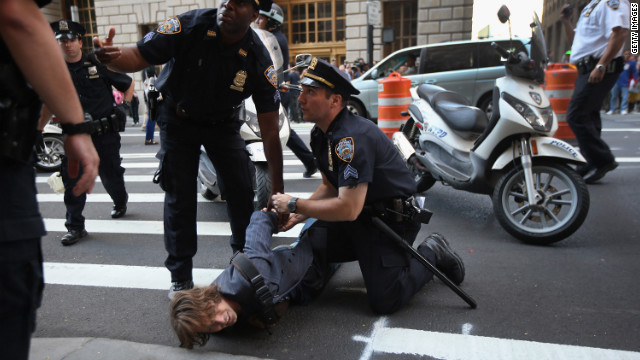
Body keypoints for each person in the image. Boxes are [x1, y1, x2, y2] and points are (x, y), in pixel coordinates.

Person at [92, 0, 285, 298]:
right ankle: (180, 276)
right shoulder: (190, 25)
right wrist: (110, 57)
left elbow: (271, 132)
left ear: (255, 15)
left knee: (240, 188)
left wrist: (277, 191)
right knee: (179, 195)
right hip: (178, 119)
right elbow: (137, 56)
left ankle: (244, 260)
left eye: (240, 2)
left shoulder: (259, 60)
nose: (228, 5)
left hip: (222, 124)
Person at [271, 58, 465, 315]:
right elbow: (330, 187)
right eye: (302, 92)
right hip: (362, 218)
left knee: (385, 301)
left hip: (390, 222)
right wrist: (298, 216)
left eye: (311, 93)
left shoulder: (352, 139)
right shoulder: (321, 134)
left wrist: (294, 202)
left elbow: (348, 208)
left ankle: (433, 252)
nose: (300, 99)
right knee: (312, 239)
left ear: (335, 100)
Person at [0, 0, 99, 358]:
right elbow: (16, 15)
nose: (67, 44)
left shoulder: (92, 63)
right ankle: (76, 223)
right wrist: (74, 126)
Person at [169, 210, 334, 348]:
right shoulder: (216, 322)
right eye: (211, 326)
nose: (222, 321)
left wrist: (278, 215)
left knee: (329, 208)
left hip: (313, 258)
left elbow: (260, 220)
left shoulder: (253, 272)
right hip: (296, 281)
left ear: (206, 297)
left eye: (213, 312)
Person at [41, 20, 133, 246]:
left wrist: (125, 106)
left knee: (111, 175)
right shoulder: (54, 70)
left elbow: (128, 84)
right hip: (75, 137)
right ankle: (75, 227)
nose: (68, 45)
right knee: (72, 181)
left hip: (105, 133)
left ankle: (120, 201)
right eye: (62, 41)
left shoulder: (97, 63)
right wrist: (37, 129)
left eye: (72, 40)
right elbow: (48, 103)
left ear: (80, 42)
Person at [560, 1, 630, 183]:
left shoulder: (611, 2)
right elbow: (576, 43)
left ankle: (603, 159)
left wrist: (601, 66)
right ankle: (588, 163)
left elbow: (621, 32)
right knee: (588, 115)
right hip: (587, 67)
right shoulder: (591, 6)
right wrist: (567, 22)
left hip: (599, 66)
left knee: (576, 115)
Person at [255, 3, 317, 178]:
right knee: (281, 129)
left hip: (275, 90)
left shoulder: (271, 39)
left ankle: (308, 161)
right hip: (277, 89)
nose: (257, 20)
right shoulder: (274, 36)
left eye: (261, 18)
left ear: (271, 22)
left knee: (278, 129)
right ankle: (309, 161)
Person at [607, 50, 637, 115]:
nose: (627, 55)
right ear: (623, 54)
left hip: (626, 82)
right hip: (616, 81)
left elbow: (635, 72)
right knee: (614, 96)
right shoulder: (620, 61)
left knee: (625, 96)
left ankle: (623, 109)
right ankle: (612, 109)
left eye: (629, 54)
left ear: (630, 55)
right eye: (626, 54)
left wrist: (635, 80)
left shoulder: (632, 63)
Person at [142, 65, 158, 145]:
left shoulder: (146, 81)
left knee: (151, 119)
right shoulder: (153, 80)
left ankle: (149, 138)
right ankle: (149, 138)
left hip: (149, 100)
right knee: (152, 119)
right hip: (153, 100)